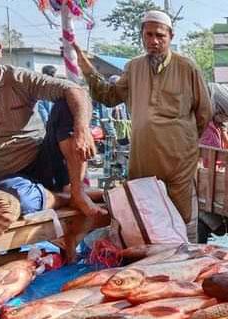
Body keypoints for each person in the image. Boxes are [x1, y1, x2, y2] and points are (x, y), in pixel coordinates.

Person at [75, 10, 212, 229]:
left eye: (160, 36)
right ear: (142, 36)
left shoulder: (187, 67)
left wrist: (184, 142)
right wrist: (86, 68)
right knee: (144, 216)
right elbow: (109, 97)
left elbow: (204, 111)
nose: (154, 41)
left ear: (171, 36)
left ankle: (178, 261)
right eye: (148, 35)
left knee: (179, 218)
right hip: (143, 158)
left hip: (178, 160)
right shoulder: (133, 67)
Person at [0, 12, 103, 217]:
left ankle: (77, 191)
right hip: (11, 179)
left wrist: (82, 128)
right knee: (15, 199)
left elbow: (75, 90)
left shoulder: (18, 78)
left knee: (69, 103)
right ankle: (65, 197)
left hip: (49, 161)